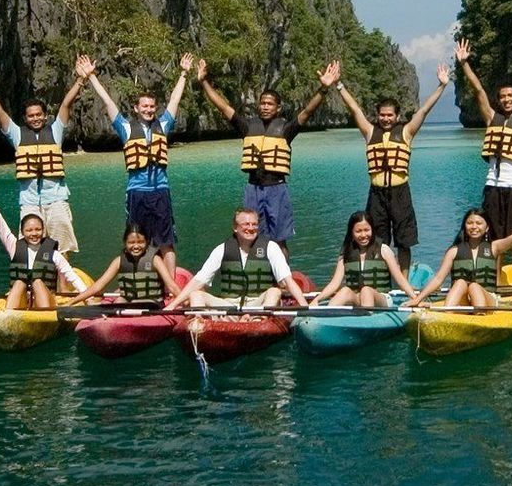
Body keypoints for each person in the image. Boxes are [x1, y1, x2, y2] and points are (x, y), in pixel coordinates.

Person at [196, 58, 331, 245]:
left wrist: (323, 89)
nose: (265, 107)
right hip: (253, 189)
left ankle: (281, 274)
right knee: (249, 237)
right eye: (262, 103)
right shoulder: (247, 126)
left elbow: (307, 111)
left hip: (277, 189)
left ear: (278, 108)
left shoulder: (286, 129)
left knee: (279, 240)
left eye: (270, 104)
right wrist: (203, 82)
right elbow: (223, 107)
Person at [330, 62, 451, 266]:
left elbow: (423, 111)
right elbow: (354, 109)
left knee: (404, 242)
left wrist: (441, 86)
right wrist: (338, 85)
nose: (386, 119)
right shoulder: (369, 132)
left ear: (397, 116)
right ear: (377, 115)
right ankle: (382, 282)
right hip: (377, 194)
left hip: (400, 193)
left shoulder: (406, 132)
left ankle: (403, 283)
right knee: (378, 241)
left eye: (390, 115)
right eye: (382, 115)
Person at [86, 52, 193, 265]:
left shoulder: (163, 125)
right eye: (144, 106)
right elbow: (107, 102)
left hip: (160, 191)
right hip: (136, 193)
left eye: (152, 106)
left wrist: (183, 73)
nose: (148, 110)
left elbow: (175, 99)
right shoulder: (125, 128)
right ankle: (140, 280)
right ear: (136, 108)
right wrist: (91, 76)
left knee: (166, 241)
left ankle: (170, 289)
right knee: (136, 239)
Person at [455, 38, 512, 280]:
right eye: (503, 96)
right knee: (495, 237)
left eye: (510, 96)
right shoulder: (491, 118)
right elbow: (478, 90)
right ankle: (495, 283)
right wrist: (464, 64)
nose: (506, 99)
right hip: (493, 187)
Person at [0, 60, 86, 253]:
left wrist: (81, 79)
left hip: (56, 200)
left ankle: (63, 283)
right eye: (31, 116)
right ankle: (35, 282)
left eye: (38, 115)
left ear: (45, 116)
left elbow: (67, 103)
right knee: (30, 250)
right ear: (25, 118)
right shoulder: (17, 135)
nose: (35, 118)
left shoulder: (56, 131)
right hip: (29, 203)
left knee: (62, 247)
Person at [411, 204, 512, 310]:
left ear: (487, 228)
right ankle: (447, 313)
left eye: (478, 223)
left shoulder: (494, 248)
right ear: (464, 227)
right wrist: (418, 299)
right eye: (469, 223)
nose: (474, 226)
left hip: (488, 299)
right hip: (463, 302)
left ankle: (480, 317)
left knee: (474, 286)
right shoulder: (454, 251)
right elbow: (438, 279)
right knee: (461, 282)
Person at [165, 208, 312, 310]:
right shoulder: (222, 249)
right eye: (246, 224)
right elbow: (199, 280)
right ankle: (198, 324)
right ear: (235, 227)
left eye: (254, 224)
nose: (251, 228)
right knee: (196, 295)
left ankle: (257, 320)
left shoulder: (270, 247)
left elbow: (287, 280)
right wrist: (173, 305)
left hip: (258, 305)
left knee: (274, 292)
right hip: (229, 305)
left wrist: (304, 306)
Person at [0, 178, 81, 310]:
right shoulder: (14, 246)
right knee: (19, 282)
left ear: (43, 231)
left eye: (38, 229)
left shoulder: (53, 254)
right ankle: (9, 315)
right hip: (24, 301)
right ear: (23, 232)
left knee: (37, 282)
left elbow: (72, 276)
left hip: (45, 303)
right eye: (29, 230)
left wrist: (89, 296)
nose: (34, 233)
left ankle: (42, 316)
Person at [313, 212, 416, 309]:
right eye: (358, 231)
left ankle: (367, 319)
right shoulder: (346, 254)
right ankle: (327, 316)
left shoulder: (383, 250)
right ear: (351, 233)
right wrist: (317, 299)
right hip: (358, 298)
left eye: (366, 230)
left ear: (372, 230)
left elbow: (400, 279)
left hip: (381, 298)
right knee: (345, 290)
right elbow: (334, 284)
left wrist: (416, 299)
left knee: (366, 290)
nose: (363, 235)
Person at [69, 222, 179, 306]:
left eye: (140, 242)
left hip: (152, 304)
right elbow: (97, 287)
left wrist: (186, 301)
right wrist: (72, 302)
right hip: (128, 302)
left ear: (147, 242)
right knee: (119, 300)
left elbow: (171, 286)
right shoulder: (119, 261)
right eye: (131, 242)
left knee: (124, 301)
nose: (136, 246)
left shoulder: (155, 259)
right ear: (125, 243)